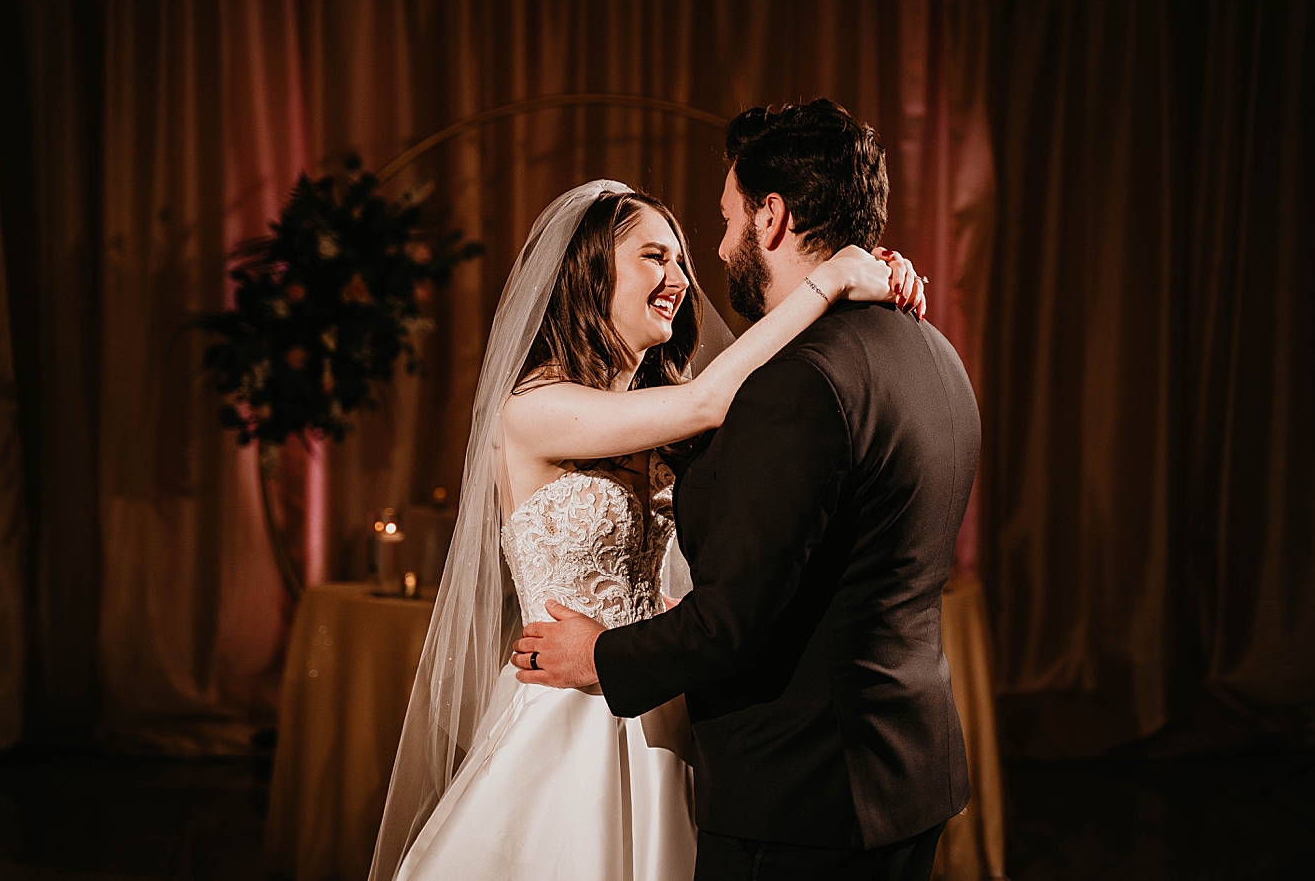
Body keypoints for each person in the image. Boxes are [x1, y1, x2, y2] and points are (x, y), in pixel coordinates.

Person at [367, 177, 925, 881]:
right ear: (589, 270)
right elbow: (714, 397)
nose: (680, 279)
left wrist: (869, 287)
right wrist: (837, 276)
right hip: (567, 723)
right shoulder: (533, 408)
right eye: (654, 257)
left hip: (663, 709)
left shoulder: (662, 418)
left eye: (682, 260)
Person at [513, 99, 980, 881]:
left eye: (721, 224)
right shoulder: (932, 351)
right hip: (896, 769)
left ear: (772, 216)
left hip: (802, 788)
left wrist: (604, 649)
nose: (707, 259)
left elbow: (733, 618)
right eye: (655, 257)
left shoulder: (791, 385)